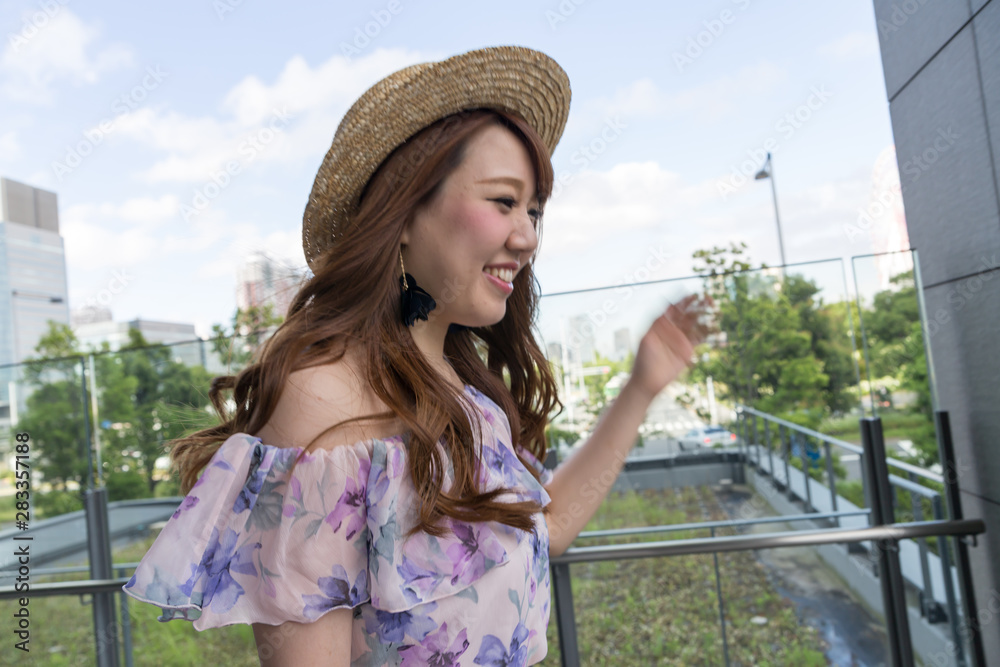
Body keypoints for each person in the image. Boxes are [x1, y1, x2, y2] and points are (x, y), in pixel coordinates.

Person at [122, 45, 711, 666]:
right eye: (504, 202)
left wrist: (641, 388)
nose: (529, 236)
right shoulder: (322, 398)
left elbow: (547, 528)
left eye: (535, 210)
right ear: (404, 212)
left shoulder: (469, 395)